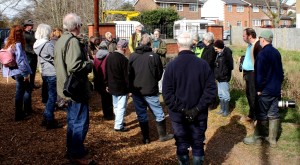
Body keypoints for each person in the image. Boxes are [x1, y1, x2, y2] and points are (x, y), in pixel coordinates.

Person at [162, 31, 217, 165]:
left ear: (178, 45)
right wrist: (195, 109)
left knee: (182, 143)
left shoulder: (171, 66)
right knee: (197, 144)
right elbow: (210, 91)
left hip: (180, 115)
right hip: (196, 114)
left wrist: (186, 110)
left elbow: (167, 95)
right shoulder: (203, 65)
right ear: (193, 44)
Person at [53, 13, 95, 164]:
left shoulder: (60, 40)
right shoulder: (72, 42)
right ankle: (76, 154)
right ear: (77, 26)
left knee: (72, 120)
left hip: (66, 87)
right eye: (81, 24)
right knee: (80, 122)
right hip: (76, 89)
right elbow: (75, 66)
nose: (81, 27)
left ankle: (72, 149)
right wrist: (89, 64)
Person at [129, 33, 173, 144]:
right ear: (150, 43)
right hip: (150, 90)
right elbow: (159, 74)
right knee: (158, 113)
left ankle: (146, 138)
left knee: (141, 114)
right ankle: (162, 136)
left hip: (137, 90)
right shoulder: (154, 56)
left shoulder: (133, 56)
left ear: (140, 43)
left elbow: (128, 74)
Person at [244, 30, 284, 148]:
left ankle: (256, 137)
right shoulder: (276, 52)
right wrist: (279, 86)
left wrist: (259, 89)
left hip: (265, 90)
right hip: (275, 89)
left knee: (261, 114)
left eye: (260, 39)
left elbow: (260, 75)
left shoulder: (262, 54)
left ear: (262, 39)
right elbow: (281, 73)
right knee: (273, 114)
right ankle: (272, 140)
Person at [33, 23, 62, 129]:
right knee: (52, 97)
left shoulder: (37, 44)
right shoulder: (48, 45)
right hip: (52, 72)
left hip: (45, 72)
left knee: (50, 96)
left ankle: (46, 118)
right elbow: (56, 58)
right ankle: (49, 120)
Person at [2, 25, 32, 121]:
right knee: (21, 92)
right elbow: (20, 60)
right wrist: (25, 74)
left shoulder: (7, 42)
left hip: (13, 71)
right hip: (20, 71)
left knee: (26, 89)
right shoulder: (18, 44)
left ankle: (26, 109)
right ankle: (19, 113)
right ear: (20, 33)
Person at [106, 40, 129, 132]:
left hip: (112, 84)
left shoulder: (109, 57)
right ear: (124, 48)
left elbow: (106, 72)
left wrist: (106, 84)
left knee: (116, 105)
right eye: (126, 47)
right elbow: (126, 76)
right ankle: (118, 125)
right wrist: (129, 88)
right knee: (121, 107)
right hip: (121, 86)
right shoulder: (123, 59)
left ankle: (119, 121)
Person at [241, 28, 262, 122]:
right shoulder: (250, 45)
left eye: (244, 36)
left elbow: (260, 62)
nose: (243, 37)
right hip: (247, 73)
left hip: (253, 74)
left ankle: (257, 118)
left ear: (250, 36)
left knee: (254, 96)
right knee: (249, 95)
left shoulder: (258, 45)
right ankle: (251, 115)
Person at [93, 41, 114, 120]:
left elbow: (94, 69)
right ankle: (109, 114)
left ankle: (105, 114)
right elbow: (108, 69)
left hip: (99, 79)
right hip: (107, 80)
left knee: (103, 98)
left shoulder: (96, 56)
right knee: (109, 98)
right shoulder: (108, 55)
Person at [213, 40, 234, 117]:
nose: (215, 50)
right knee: (220, 94)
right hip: (219, 78)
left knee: (225, 95)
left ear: (220, 47)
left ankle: (226, 110)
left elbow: (230, 66)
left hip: (224, 78)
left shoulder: (226, 53)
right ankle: (222, 109)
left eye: (216, 49)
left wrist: (224, 74)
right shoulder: (219, 54)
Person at [151, 28, 167, 93]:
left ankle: (160, 90)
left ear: (159, 34)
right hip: (152, 61)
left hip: (160, 62)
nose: (156, 35)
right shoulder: (151, 42)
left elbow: (164, 51)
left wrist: (157, 50)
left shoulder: (162, 42)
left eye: (157, 34)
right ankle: (154, 89)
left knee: (161, 77)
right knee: (153, 76)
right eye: (155, 34)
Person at [23, 19, 38, 90]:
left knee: (33, 69)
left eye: (32, 25)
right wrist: (29, 51)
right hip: (27, 54)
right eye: (30, 25)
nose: (32, 26)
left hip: (34, 54)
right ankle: (27, 85)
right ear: (26, 26)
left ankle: (32, 84)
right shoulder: (23, 34)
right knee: (27, 70)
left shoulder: (34, 33)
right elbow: (24, 45)